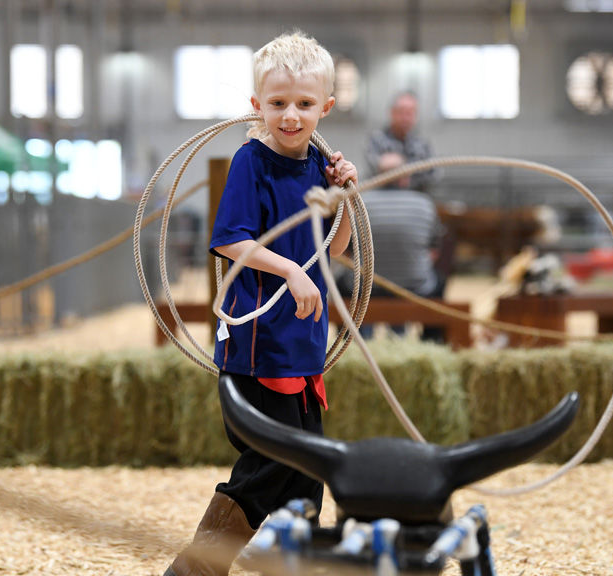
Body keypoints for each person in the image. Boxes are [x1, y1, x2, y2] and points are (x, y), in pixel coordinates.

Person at [163, 31, 357, 576]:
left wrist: (342, 199)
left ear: (326, 108)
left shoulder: (319, 171)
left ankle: (294, 562)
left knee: (309, 472)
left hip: (303, 346)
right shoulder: (252, 161)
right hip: (258, 347)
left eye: (303, 104)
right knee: (270, 460)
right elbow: (230, 240)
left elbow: (333, 249)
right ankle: (195, 569)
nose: (290, 116)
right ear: (257, 106)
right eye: (277, 104)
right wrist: (290, 270)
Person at [359, 151, 447, 341]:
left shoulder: (362, 202)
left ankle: (359, 338)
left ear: (378, 176)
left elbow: (349, 253)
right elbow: (433, 251)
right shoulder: (424, 204)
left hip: (369, 287)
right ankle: (430, 342)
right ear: (406, 177)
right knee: (438, 281)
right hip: (415, 287)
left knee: (347, 281)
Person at [365, 91, 436, 192]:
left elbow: (433, 173)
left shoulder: (422, 143)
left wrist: (401, 167)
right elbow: (374, 166)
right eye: (401, 112)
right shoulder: (377, 139)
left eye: (410, 113)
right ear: (392, 113)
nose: (405, 118)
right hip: (382, 197)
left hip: (416, 196)